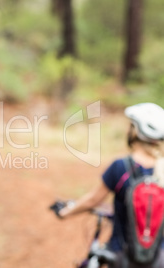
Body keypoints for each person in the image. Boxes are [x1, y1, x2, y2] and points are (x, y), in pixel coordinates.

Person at [51, 103, 164, 267]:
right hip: (158, 258)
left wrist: (65, 212)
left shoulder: (121, 167)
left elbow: (93, 200)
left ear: (136, 131)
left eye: (131, 126)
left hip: (121, 256)